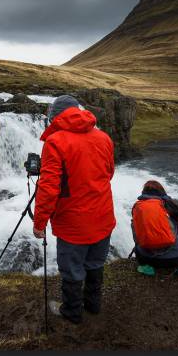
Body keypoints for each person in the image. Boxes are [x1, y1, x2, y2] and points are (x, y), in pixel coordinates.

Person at [32, 95, 116, 324]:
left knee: (72, 270)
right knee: (96, 263)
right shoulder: (103, 137)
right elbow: (109, 173)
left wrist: (39, 223)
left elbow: (49, 188)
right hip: (103, 216)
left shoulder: (55, 142)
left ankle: (72, 312)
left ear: (55, 116)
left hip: (74, 223)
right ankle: (93, 305)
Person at [131, 180, 178, 277]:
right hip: (177, 258)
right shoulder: (169, 204)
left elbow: (137, 236)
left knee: (136, 226)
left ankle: (146, 267)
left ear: (144, 192)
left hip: (148, 258)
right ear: (161, 191)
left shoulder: (137, 207)